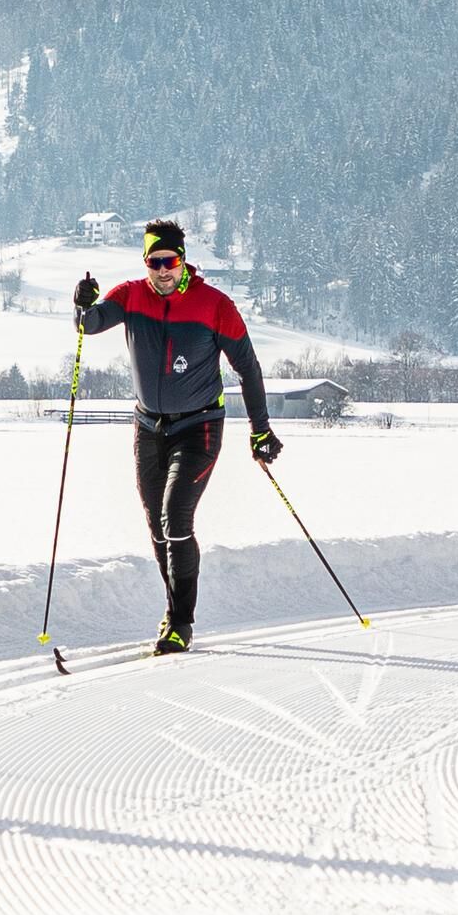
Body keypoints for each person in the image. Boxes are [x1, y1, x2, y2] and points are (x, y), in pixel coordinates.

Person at [74, 218, 272, 655]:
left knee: (175, 517)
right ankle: (172, 610)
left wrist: (261, 430)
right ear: (146, 263)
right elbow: (90, 324)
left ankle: (182, 622)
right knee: (156, 524)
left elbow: (248, 368)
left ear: (184, 261)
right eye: (155, 261)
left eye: (171, 261)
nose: (163, 270)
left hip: (199, 425)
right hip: (149, 427)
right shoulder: (130, 295)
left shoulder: (214, 305)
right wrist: (82, 305)